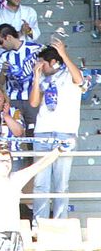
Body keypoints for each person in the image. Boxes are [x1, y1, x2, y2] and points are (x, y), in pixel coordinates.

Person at [0, 137, 67, 251]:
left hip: (15, 236)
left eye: (8, 161)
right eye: (1, 161)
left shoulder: (16, 178)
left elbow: (39, 165)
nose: (6, 164)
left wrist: (59, 150)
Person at [28, 38, 85, 219]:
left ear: (53, 62)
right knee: (40, 184)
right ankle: (39, 224)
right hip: (43, 132)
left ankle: (61, 224)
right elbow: (34, 102)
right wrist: (36, 78)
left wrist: (63, 54)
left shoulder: (70, 74)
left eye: (43, 63)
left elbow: (80, 79)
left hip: (65, 132)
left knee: (61, 184)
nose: (40, 66)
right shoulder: (43, 78)